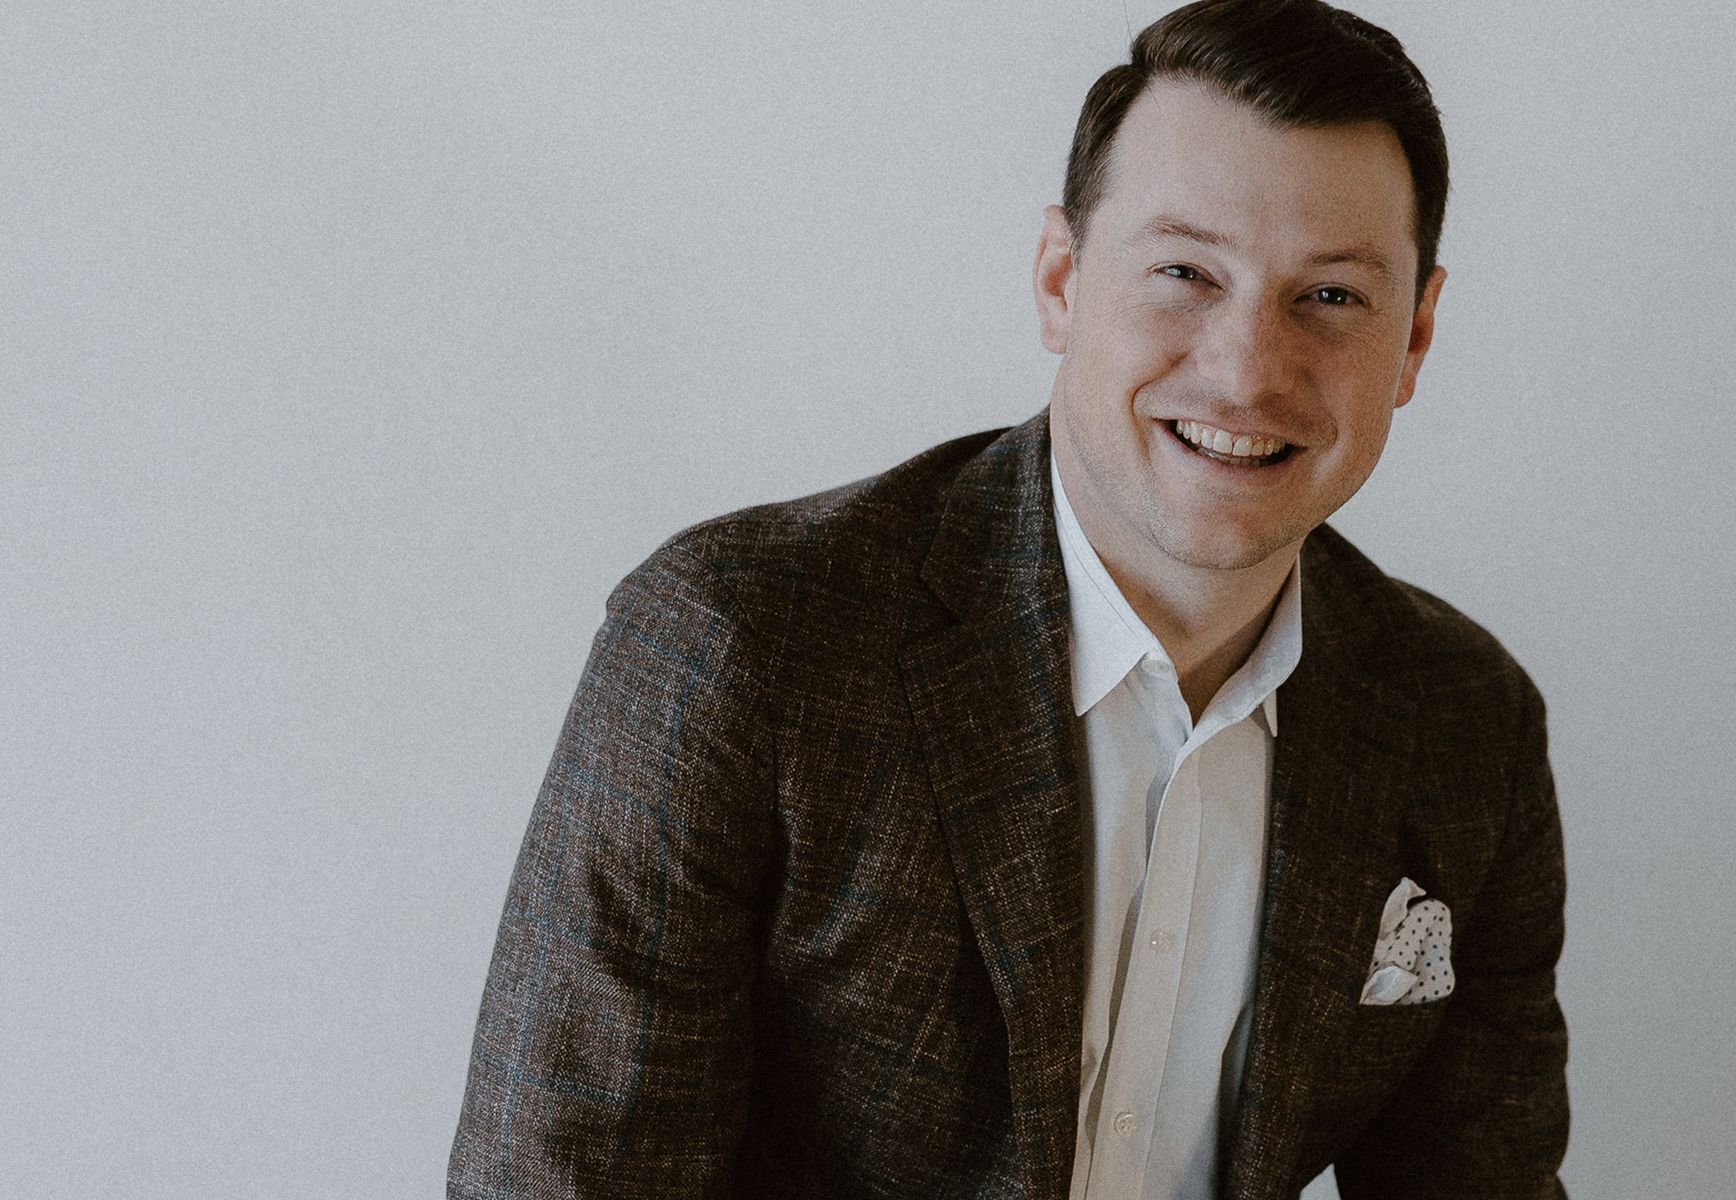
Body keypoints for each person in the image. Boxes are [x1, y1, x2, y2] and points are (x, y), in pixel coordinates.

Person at [448, 1, 1568, 1196]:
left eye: (1331, 297)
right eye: (1184, 272)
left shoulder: (1466, 724)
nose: (1246, 368)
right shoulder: (739, 646)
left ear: (1416, 337)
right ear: (1059, 281)